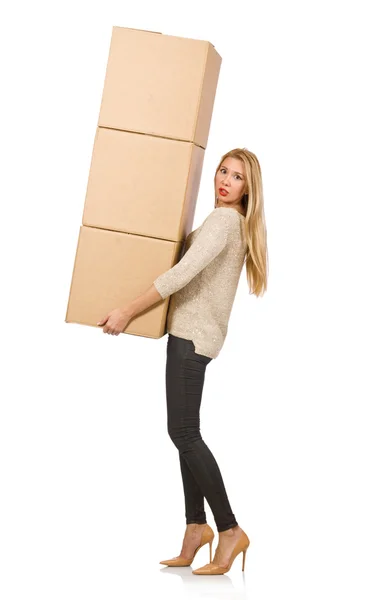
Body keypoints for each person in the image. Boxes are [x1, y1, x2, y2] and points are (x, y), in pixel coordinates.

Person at [97, 148, 269, 575]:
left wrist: (127, 311)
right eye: (223, 171)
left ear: (250, 190)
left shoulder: (225, 221)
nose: (225, 181)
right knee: (184, 433)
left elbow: (181, 274)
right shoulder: (231, 223)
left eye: (237, 178)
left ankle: (228, 530)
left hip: (192, 338)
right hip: (194, 336)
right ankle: (197, 528)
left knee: (184, 433)